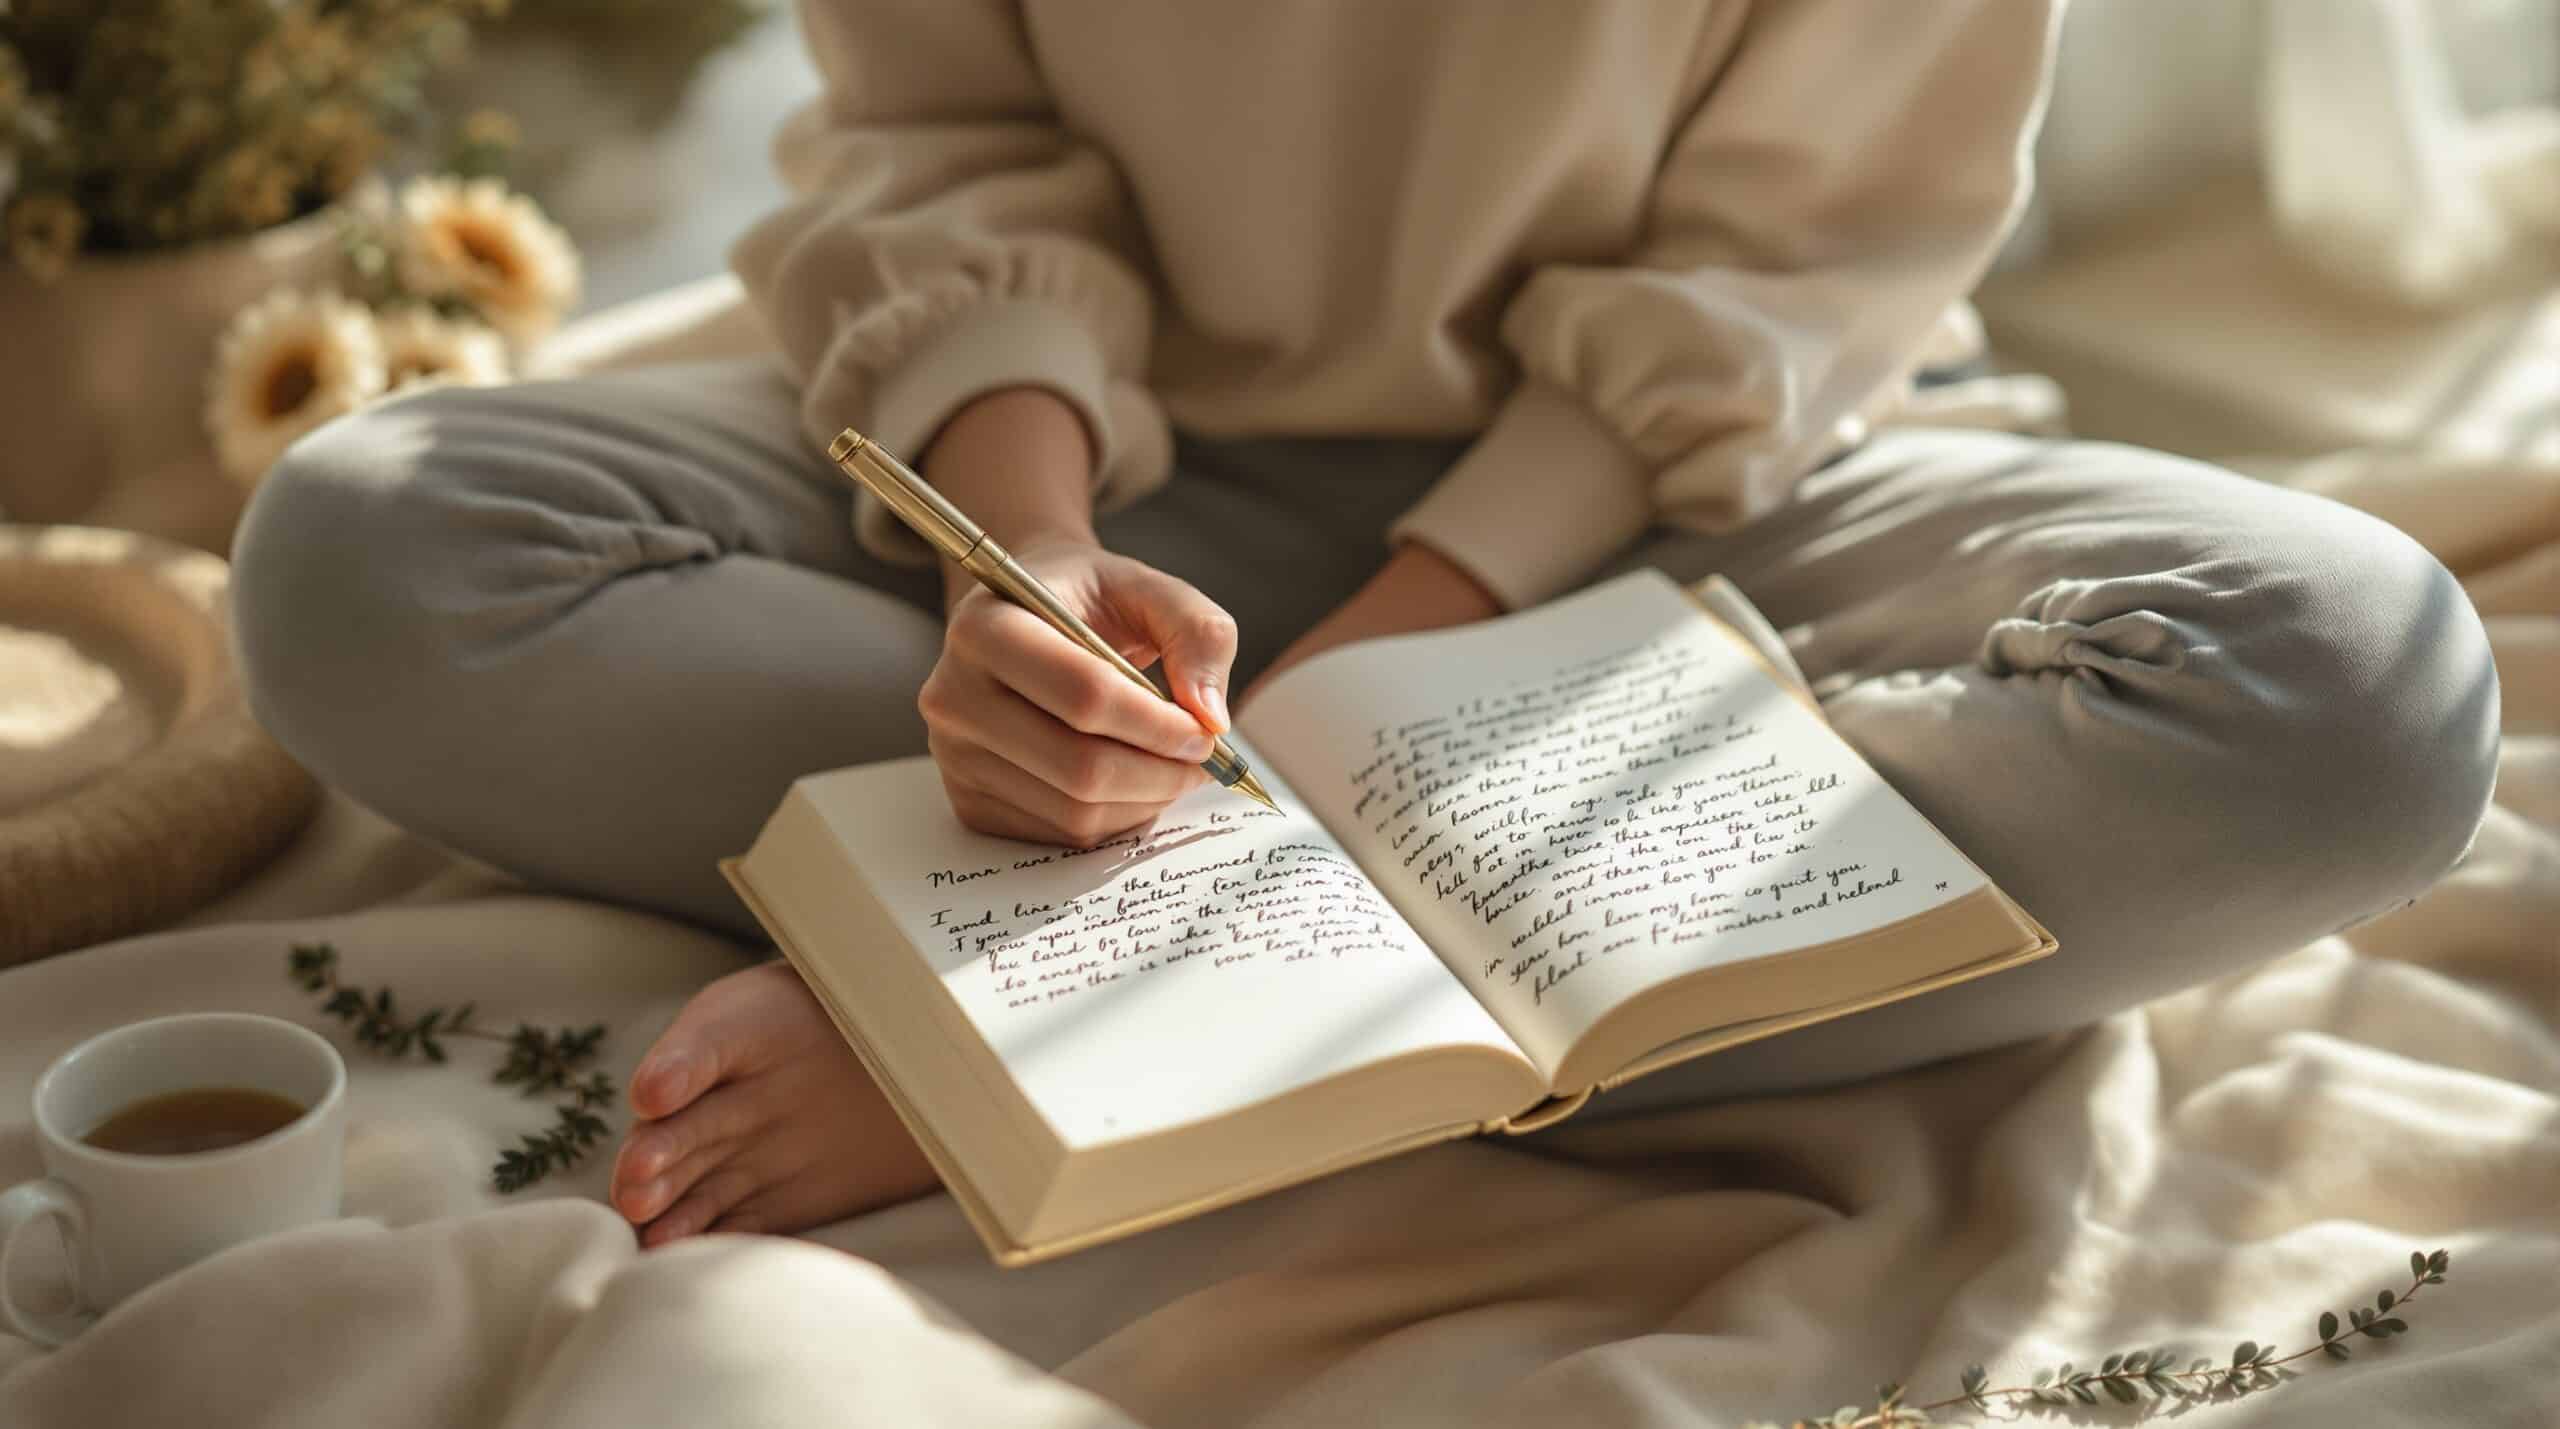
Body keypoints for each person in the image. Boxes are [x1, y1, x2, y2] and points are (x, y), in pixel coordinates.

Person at [229, 0, 2500, 1248]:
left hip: (1682, 492)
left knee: (2349, 697)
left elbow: (1785, 272)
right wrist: (1012, 569)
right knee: (362, 549)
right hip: (1119, 448)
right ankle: (1439, 968)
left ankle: (1082, 1034)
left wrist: (1011, 981)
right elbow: (938, 140)